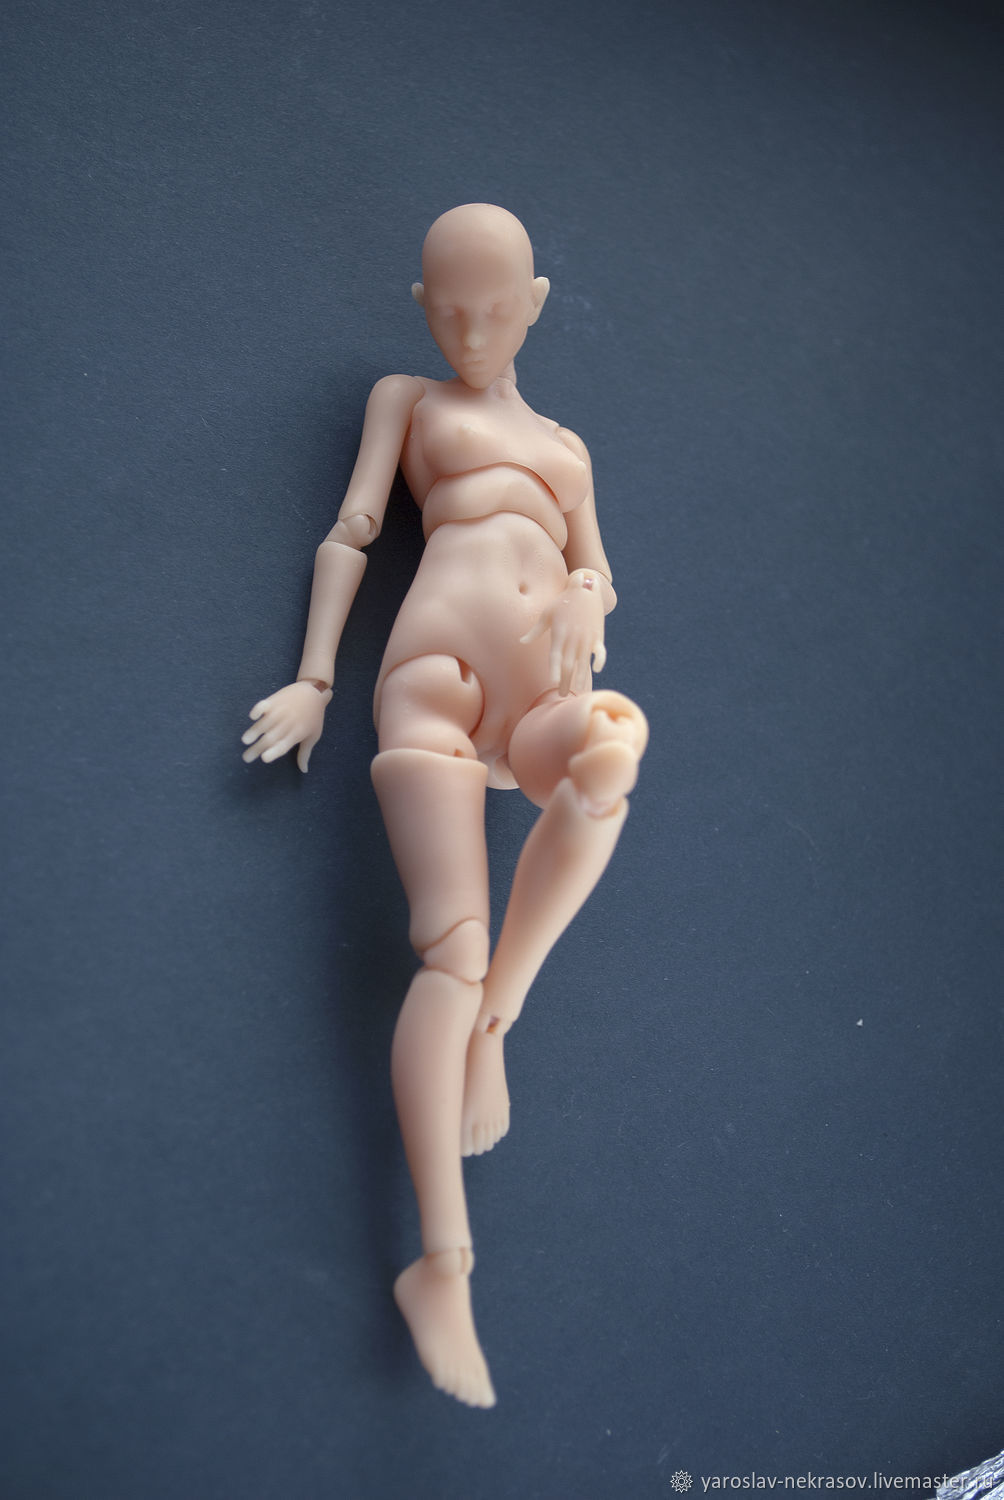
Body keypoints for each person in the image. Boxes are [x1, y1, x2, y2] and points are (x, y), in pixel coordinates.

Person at [242, 205, 648, 1408]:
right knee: (447, 950)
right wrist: (315, 680)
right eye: (449, 313)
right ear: (423, 308)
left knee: (612, 751)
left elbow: (599, 570)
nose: (471, 335)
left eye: (495, 312)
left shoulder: (568, 448)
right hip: (433, 674)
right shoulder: (407, 401)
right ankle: (442, 1259)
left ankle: (494, 1028)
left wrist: (585, 587)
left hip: (539, 695)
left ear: (533, 306)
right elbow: (352, 533)